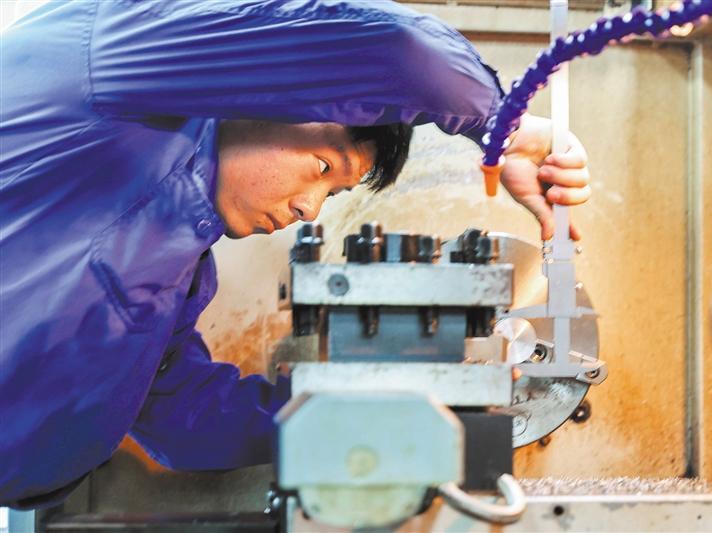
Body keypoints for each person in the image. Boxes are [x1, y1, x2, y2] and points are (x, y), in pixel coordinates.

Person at [0, 0, 590, 508]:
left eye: (332, 194)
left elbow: (183, 415)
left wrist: (387, 409)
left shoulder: (178, 266)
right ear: (266, 98)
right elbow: (399, 49)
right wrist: (506, 128)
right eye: (323, 167)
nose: (310, 209)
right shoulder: (110, 60)